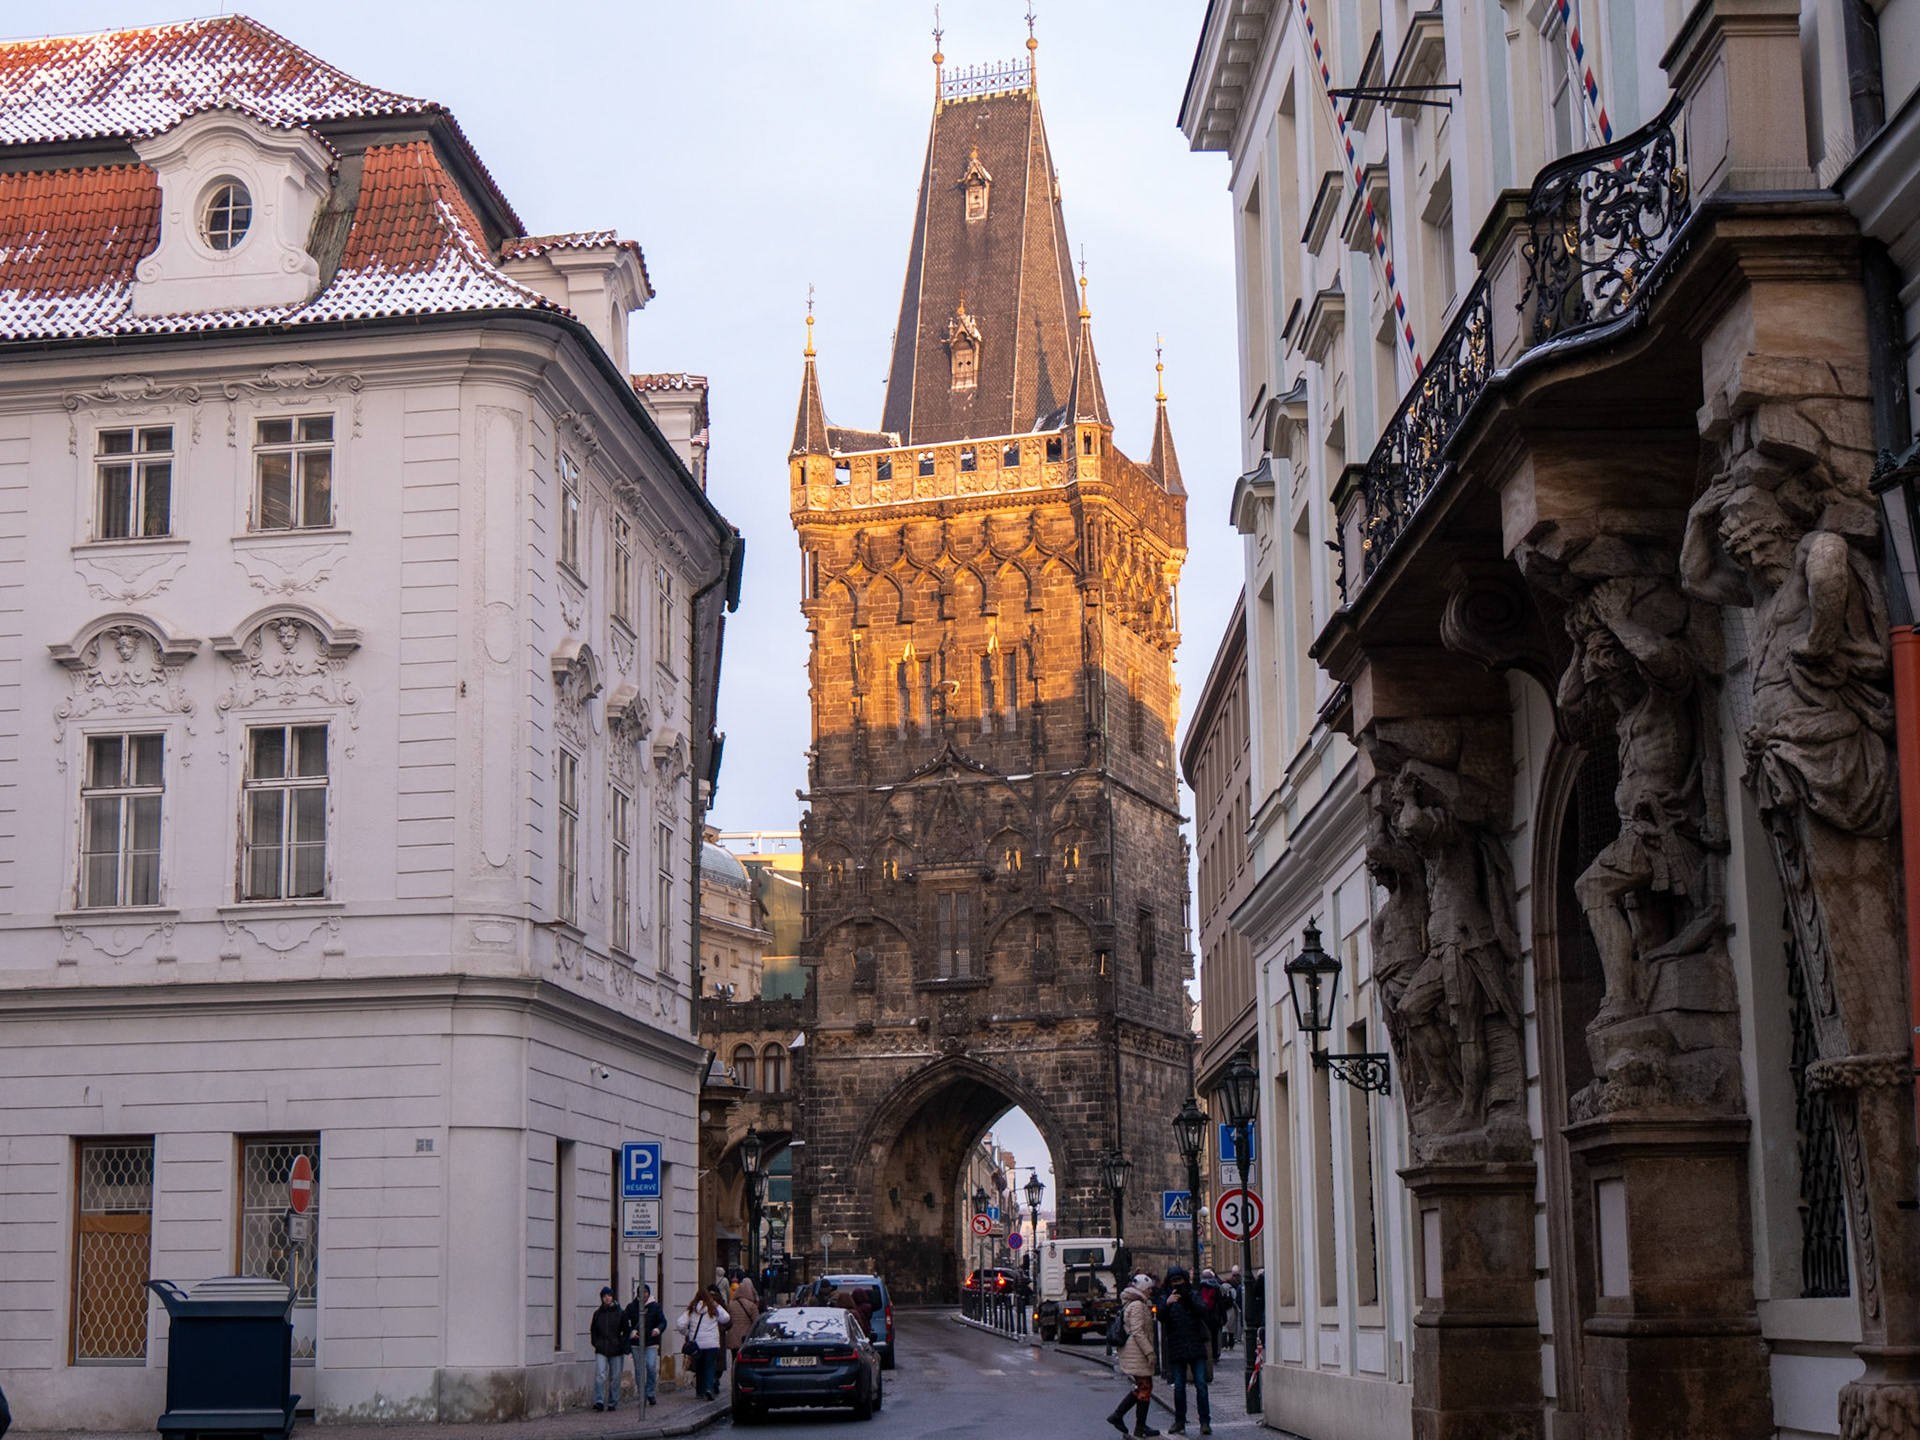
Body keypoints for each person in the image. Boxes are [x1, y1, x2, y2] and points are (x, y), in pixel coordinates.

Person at [1157, 1267, 1216, 1436]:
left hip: (1195, 1345)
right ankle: (1179, 1421)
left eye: (1179, 1281)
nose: (1177, 1284)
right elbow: (1161, 1317)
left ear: (1185, 1281)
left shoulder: (1193, 1295)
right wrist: (1168, 1304)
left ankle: (1205, 1421)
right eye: (1174, 1281)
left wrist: (1188, 1300)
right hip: (1176, 1347)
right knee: (1179, 1388)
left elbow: (1203, 1312)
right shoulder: (1164, 1298)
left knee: (1201, 1384)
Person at [1106, 1272, 1161, 1438]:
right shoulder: (1137, 1305)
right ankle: (1137, 1426)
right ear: (1143, 1289)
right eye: (1149, 1288)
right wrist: (1149, 1352)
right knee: (1145, 1388)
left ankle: (1121, 1417)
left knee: (1142, 1387)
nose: (1151, 1291)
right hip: (1137, 1352)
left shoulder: (1133, 1303)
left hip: (1134, 1351)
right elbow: (1137, 1331)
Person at [677, 1285, 730, 1400]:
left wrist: (687, 1333)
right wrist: (718, 1307)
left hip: (697, 1343)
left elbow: (680, 1324)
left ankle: (700, 1391)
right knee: (710, 1366)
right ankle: (709, 1388)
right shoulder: (713, 1308)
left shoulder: (692, 1308)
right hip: (712, 1343)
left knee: (700, 1367)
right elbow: (726, 1318)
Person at [624, 1283, 666, 1407]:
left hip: (651, 1342)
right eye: (641, 1292)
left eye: (646, 1292)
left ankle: (650, 1392)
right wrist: (632, 1332)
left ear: (649, 1293)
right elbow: (625, 1323)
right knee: (639, 1370)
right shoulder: (631, 1307)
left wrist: (658, 1329)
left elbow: (663, 1321)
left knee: (651, 1366)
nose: (644, 1295)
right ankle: (641, 1396)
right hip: (636, 1343)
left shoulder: (655, 1307)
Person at [589, 1286, 627, 1411]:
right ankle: (599, 1401)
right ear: (602, 1298)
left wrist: (620, 1344)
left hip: (616, 1350)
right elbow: (593, 1330)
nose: (607, 1298)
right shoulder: (598, 1314)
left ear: (612, 1297)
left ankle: (612, 1402)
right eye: (605, 1296)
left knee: (615, 1377)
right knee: (600, 1374)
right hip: (601, 1349)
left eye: (609, 1296)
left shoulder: (620, 1313)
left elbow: (626, 1330)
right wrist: (596, 1343)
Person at [723, 1274, 761, 1366]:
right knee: (745, 1359)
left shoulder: (731, 1304)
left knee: (734, 1358)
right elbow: (757, 1322)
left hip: (733, 1336)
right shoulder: (752, 1306)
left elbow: (727, 1319)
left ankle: (734, 1373)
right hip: (745, 1337)